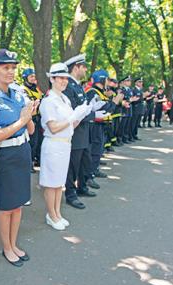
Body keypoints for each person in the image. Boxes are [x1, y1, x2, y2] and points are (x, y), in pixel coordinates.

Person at [0, 49, 35, 267]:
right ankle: (7, 248)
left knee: (18, 204)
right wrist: (21, 122)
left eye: (13, 68)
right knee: (6, 206)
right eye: (6, 68)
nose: (11, 72)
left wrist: (29, 115)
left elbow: (30, 130)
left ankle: (14, 243)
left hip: (22, 152)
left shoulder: (19, 93)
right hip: (4, 156)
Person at [39, 63, 80, 230]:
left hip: (65, 144)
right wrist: (71, 119)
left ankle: (57, 212)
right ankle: (51, 215)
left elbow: (70, 126)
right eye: (61, 78)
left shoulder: (66, 99)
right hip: (53, 145)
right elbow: (53, 127)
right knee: (51, 182)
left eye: (66, 78)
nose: (64, 81)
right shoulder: (48, 101)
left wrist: (78, 116)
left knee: (59, 183)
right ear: (52, 79)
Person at [63, 54, 97, 210]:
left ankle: (82, 187)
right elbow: (73, 112)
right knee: (72, 165)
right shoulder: (68, 86)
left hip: (83, 132)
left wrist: (89, 113)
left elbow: (85, 109)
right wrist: (89, 114)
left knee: (84, 162)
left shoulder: (78, 86)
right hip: (75, 133)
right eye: (83, 66)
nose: (85, 69)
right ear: (75, 67)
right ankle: (70, 193)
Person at [86, 70, 113, 190]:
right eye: (107, 79)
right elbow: (101, 108)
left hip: (101, 125)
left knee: (99, 148)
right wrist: (115, 101)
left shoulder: (101, 92)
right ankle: (89, 176)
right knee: (94, 149)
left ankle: (94, 169)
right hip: (94, 125)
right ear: (102, 79)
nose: (108, 82)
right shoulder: (93, 92)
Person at [21, 68, 43, 172]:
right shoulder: (24, 89)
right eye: (31, 77)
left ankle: (36, 160)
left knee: (38, 141)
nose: (34, 78)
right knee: (31, 142)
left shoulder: (37, 89)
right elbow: (29, 103)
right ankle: (28, 164)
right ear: (25, 78)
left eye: (34, 76)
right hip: (30, 118)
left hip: (38, 118)